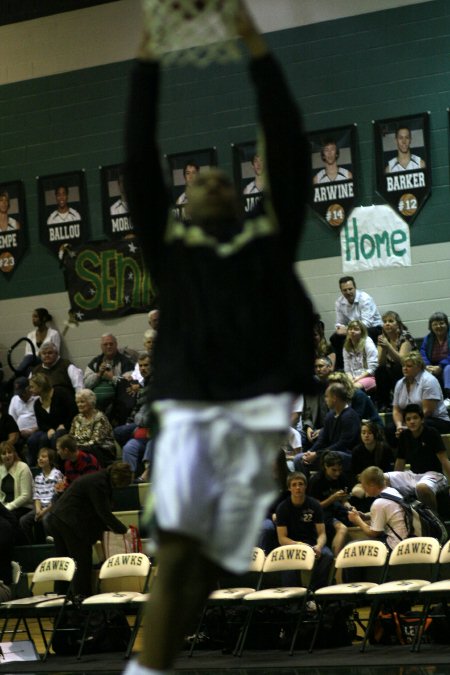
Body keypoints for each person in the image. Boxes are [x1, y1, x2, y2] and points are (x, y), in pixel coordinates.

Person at [122, 2, 315, 673]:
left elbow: (287, 142)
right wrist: (148, 57)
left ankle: (156, 662)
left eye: (222, 177)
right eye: (198, 177)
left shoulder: (268, 242)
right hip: (192, 408)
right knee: (176, 552)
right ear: (184, 204)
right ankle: (145, 669)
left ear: (236, 200)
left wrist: (253, 42)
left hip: (255, 414)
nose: (208, 176)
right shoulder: (171, 251)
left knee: (210, 564)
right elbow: (139, 155)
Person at [46, 462, 132, 598]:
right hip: (69, 521)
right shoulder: (100, 483)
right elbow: (103, 513)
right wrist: (124, 531)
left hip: (58, 518)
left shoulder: (98, 479)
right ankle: (83, 601)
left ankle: (61, 599)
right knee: (82, 562)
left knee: (64, 562)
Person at [386, 403, 450, 512]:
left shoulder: (431, 433)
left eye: (415, 418)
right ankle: (403, 515)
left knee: (422, 488)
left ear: (422, 419)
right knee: (383, 479)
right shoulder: (404, 436)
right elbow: (400, 461)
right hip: (413, 474)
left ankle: (433, 521)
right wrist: (395, 480)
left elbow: (444, 460)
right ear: (405, 422)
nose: (412, 421)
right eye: (408, 419)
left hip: (434, 474)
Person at [276, 472, 334, 590]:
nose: (298, 487)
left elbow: (322, 533)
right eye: (294, 485)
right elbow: (282, 538)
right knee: (287, 560)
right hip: (291, 545)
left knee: (327, 555)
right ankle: (293, 600)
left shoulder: (314, 505)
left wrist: (318, 546)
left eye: (301, 484)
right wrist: (298, 545)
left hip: (312, 543)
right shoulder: (282, 508)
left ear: (305, 486)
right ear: (289, 488)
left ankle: (314, 593)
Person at [294, 382, 360, 474]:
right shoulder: (330, 415)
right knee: (299, 459)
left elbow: (342, 444)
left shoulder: (350, 417)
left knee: (333, 456)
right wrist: (310, 452)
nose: (325, 400)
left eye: (327, 396)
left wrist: (317, 454)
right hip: (329, 453)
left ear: (334, 398)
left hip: (346, 455)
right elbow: (322, 439)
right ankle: (309, 487)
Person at [348, 466, 408, 550]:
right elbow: (388, 513)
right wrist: (366, 516)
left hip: (396, 546)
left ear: (372, 485)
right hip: (405, 540)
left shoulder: (379, 503)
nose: (363, 489)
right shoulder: (392, 491)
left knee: (352, 547)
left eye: (364, 486)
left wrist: (357, 520)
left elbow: (374, 533)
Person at [392, 352, 450, 436]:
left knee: (421, 427)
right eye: (403, 366)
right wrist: (399, 426)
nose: (405, 368)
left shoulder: (429, 381)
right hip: (410, 420)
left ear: (418, 367)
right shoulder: (399, 383)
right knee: (389, 430)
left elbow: (427, 411)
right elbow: (396, 410)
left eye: (409, 366)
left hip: (435, 420)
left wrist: (408, 425)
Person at [331, 276, 382, 370]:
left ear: (355, 287)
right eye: (344, 290)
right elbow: (339, 323)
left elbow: (367, 323)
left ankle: (368, 365)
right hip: (352, 329)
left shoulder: (365, 298)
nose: (348, 292)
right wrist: (339, 329)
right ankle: (342, 367)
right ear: (341, 291)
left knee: (366, 334)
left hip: (373, 328)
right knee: (334, 338)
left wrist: (348, 330)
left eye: (350, 289)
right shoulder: (339, 302)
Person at [308, 451, 352, 556]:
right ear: (325, 466)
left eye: (339, 470)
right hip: (320, 513)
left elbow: (344, 500)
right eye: (334, 470)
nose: (337, 473)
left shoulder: (341, 478)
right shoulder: (316, 481)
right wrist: (332, 498)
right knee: (342, 529)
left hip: (336, 508)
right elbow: (315, 507)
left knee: (358, 516)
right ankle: (335, 563)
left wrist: (350, 508)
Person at [27, 373, 78, 464]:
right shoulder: (37, 404)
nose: (30, 390)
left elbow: (73, 410)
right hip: (50, 429)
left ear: (41, 387)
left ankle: (57, 466)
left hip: (67, 426)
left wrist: (65, 425)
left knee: (53, 438)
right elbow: (41, 423)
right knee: (32, 440)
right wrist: (49, 429)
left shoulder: (61, 393)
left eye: (32, 387)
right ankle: (36, 467)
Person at [19, 447, 63, 543]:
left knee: (46, 519)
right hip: (40, 508)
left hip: (52, 508)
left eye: (43, 457)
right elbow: (37, 496)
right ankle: (30, 546)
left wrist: (44, 512)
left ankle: (52, 542)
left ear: (50, 460)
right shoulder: (38, 478)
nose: (40, 459)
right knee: (23, 521)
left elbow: (57, 498)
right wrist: (38, 510)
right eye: (39, 457)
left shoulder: (57, 475)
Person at [84, 333, 135, 414]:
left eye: (111, 344)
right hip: (96, 404)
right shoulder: (95, 362)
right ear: (101, 347)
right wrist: (98, 374)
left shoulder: (125, 362)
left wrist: (112, 378)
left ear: (116, 345)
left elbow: (129, 385)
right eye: (105, 344)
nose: (108, 346)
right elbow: (86, 384)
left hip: (118, 402)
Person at [375, 310, 415, 411]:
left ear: (398, 324)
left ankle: (400, 402)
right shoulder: (383, 338)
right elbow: (381, 363)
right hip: (391, 372)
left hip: (410, 369)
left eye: (390, 321)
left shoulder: (405, 336)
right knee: (380, 371)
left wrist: (388, 346)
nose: (387, 323)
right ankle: (384, 404)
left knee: (397, 367)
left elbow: (403, 361)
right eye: (385, 322)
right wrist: (384, 348)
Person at [69, 389, 116, 467]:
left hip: (101, 451)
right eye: (77, 402)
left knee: (88, 449)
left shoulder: (100, 418)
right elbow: (71, 437)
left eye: (82, 402)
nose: (79, 405)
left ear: (91, 403)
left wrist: (77, 447)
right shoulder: (77, 418)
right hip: (81, 449)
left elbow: (96, 441)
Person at [420, 311, 450, 399]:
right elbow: (422, 352)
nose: (438, 326)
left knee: (448, 369)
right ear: (431, 327)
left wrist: (441, 366)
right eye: (435, 324)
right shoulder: (428, 338)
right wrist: (427, 365)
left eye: (441, 323)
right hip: (432, 366)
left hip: (447, 364)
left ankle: (449, 396)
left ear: (447, 324)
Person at [0, 441, 33, 521]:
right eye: (4, 453)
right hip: (5, 506)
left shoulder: (23, 467)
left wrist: (8, 507)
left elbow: (26, 495)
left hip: (23, 507)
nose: (7, 455)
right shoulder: (1, 468)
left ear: (14, 454)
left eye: (10, 452)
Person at [343, 319, 378, 392]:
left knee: (352, 389)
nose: (352, 331)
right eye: (350, 329)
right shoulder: (346, 346)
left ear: (362, 332)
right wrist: (350, 380)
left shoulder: (367, 342)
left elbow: (373, 368)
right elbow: (347, 369)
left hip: (369, 377)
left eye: (356, 329)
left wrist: (357, 379)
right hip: (353, 378)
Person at [8, 377, 38, 442]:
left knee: (33, 440)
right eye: (19, 394)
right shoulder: (15, 399)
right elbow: (11, 419)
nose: (20, 396)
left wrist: (33, 431)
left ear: (29, 389)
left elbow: (43, 421)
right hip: (19, 433)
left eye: (22, 393)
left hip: (36, 431)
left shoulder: (37, 398)